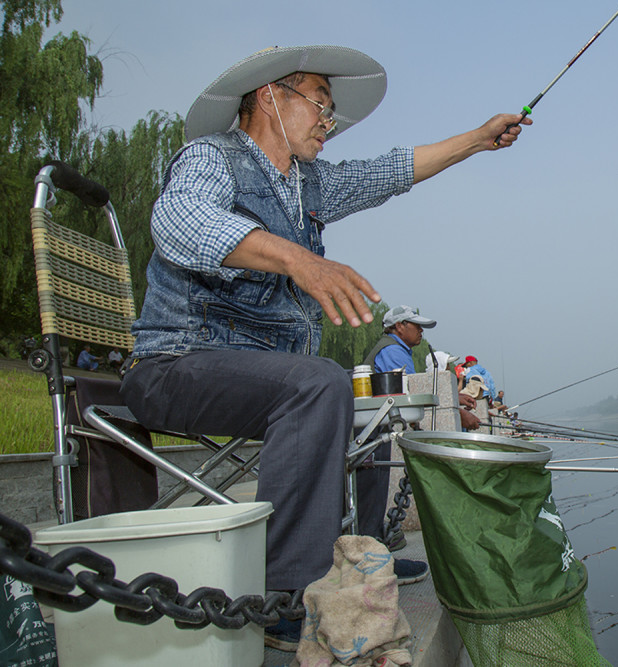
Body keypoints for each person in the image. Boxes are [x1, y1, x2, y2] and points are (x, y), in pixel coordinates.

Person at [117, 45, 530, 650]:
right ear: (269, 97)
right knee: (319, 384)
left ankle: (360, 553)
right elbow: (178, 223)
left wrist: (477, 138)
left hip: (260, 375)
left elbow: (385, 173)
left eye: (330, 112)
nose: (328, 122)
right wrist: (298, 260)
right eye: (319, 104)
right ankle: (282, 593)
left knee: (367, 401)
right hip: (174, 365)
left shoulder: (306, 184)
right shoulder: (212, 158)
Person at [363, 305, 435, 374]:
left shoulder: (392, 348)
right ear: (399, 326)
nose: (421, 330)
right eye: (417, 325)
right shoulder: (393, 351)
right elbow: (407, 385)